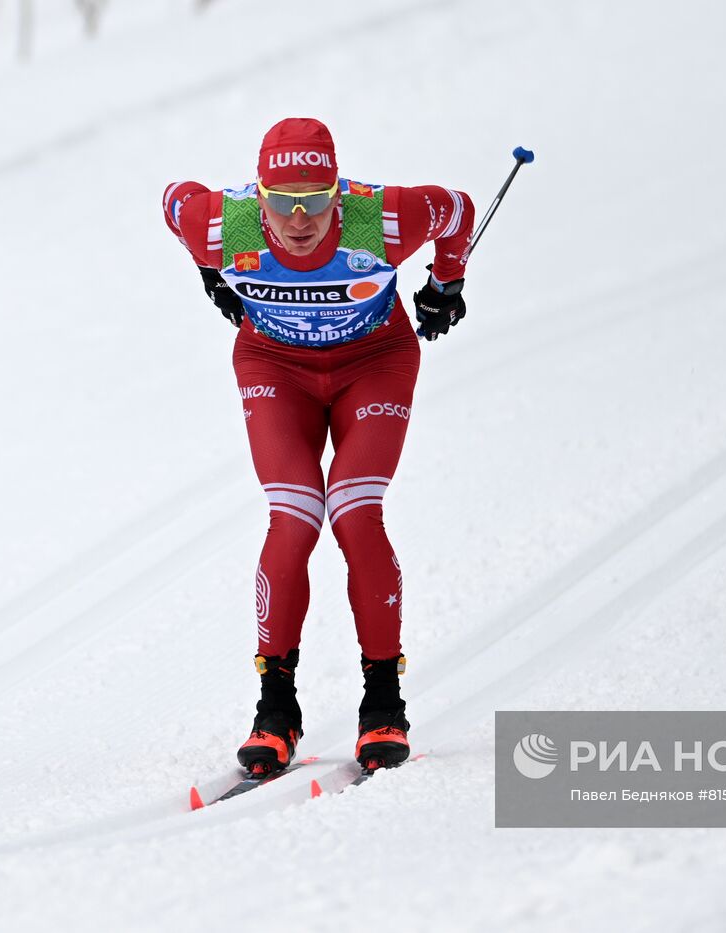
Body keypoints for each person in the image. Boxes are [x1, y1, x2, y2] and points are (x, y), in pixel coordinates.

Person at [161, 117, 473, 774]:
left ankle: (383, 702)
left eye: (316, 197)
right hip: (276, 367)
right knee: (296, 512)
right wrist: (206, 271)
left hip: (374, 362)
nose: (298, 217)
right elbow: (173, 200)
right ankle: (276, 709)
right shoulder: (222, 224)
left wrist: (448, 281)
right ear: (259, 194)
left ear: (340, 190)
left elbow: (459, 210)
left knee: (356, 510)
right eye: (281, 200)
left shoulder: (385, 217)